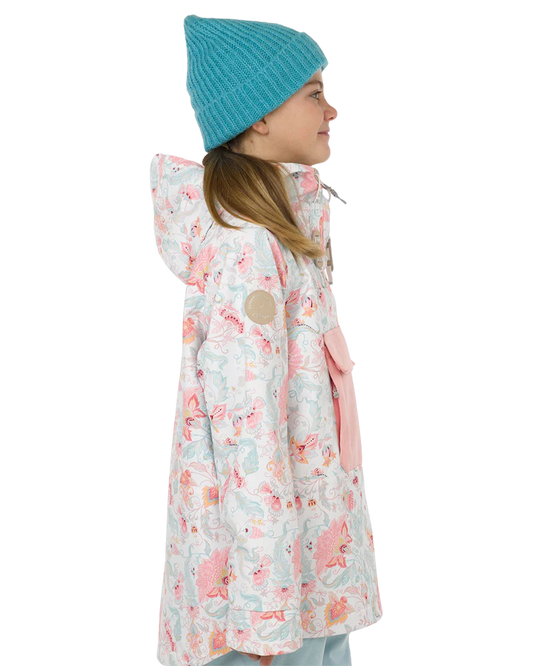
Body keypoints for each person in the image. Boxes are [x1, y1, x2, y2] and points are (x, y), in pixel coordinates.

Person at [148, 12, 385, 666]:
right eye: (314, 93)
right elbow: (246, 436)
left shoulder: (286, 240)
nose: (333, 110)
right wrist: (264, 615)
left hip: (308, 579)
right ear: (257, 117)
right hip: (265, 612)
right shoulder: (248, 251)